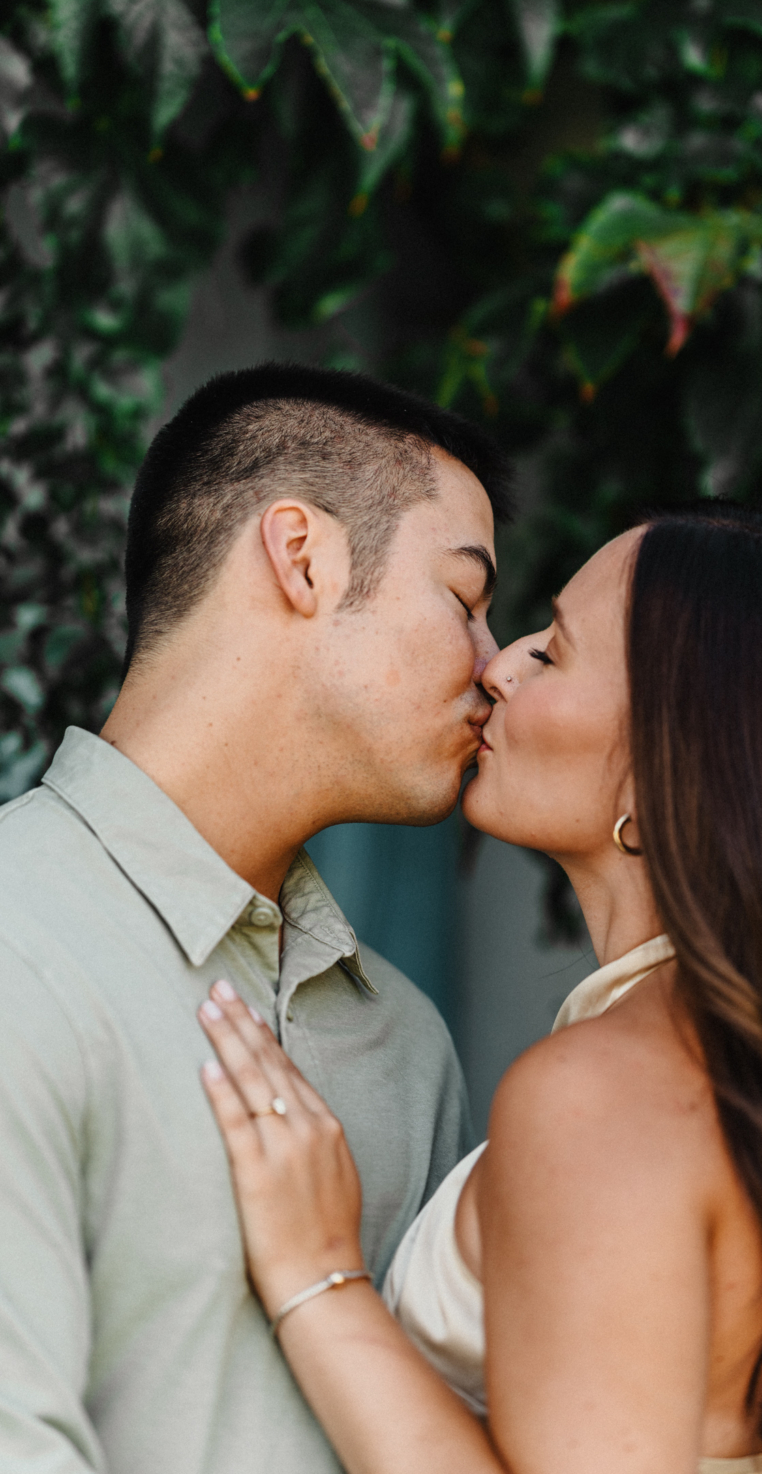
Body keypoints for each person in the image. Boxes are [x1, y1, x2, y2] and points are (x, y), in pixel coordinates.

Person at [199, 503, 762, 1474]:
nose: (496, 664)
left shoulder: (605, 1096)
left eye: (551, 653)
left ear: (666, 774)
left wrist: (317, 1278)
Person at [0, 362, 514, 1473]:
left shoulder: (407, 1046)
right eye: (466, 601)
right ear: (302, 556)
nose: (495, 670)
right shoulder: (16, 945)